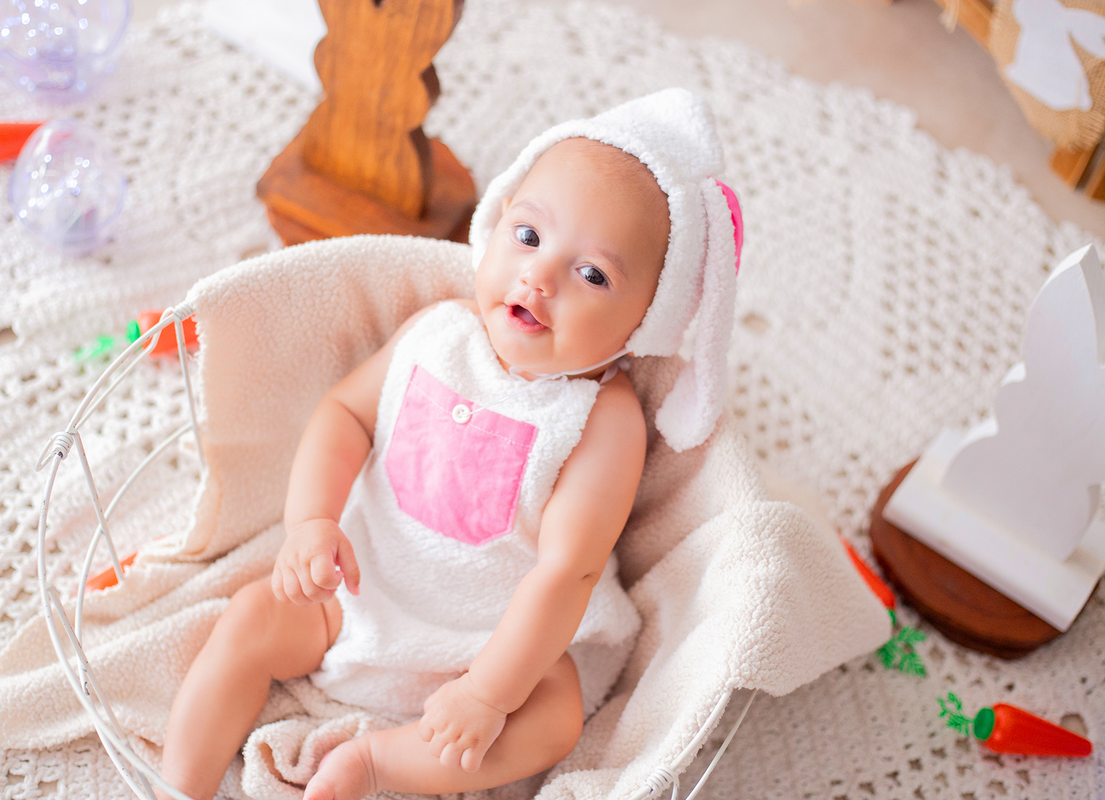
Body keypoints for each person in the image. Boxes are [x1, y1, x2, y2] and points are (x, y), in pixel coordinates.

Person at [157, 88, 742, 800]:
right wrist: (311, 522)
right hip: (362, 588)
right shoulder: (438, 334)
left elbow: (567, 573)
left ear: (645, 320)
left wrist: (490, 694)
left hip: (495, 641)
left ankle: (378, 763)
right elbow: (343, 415)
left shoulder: (600, 419)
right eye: (528, 236)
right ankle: (176, 788)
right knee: (251, 617)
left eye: (593, 274)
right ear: (494, 227)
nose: (540, 276)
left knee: (552, 720)